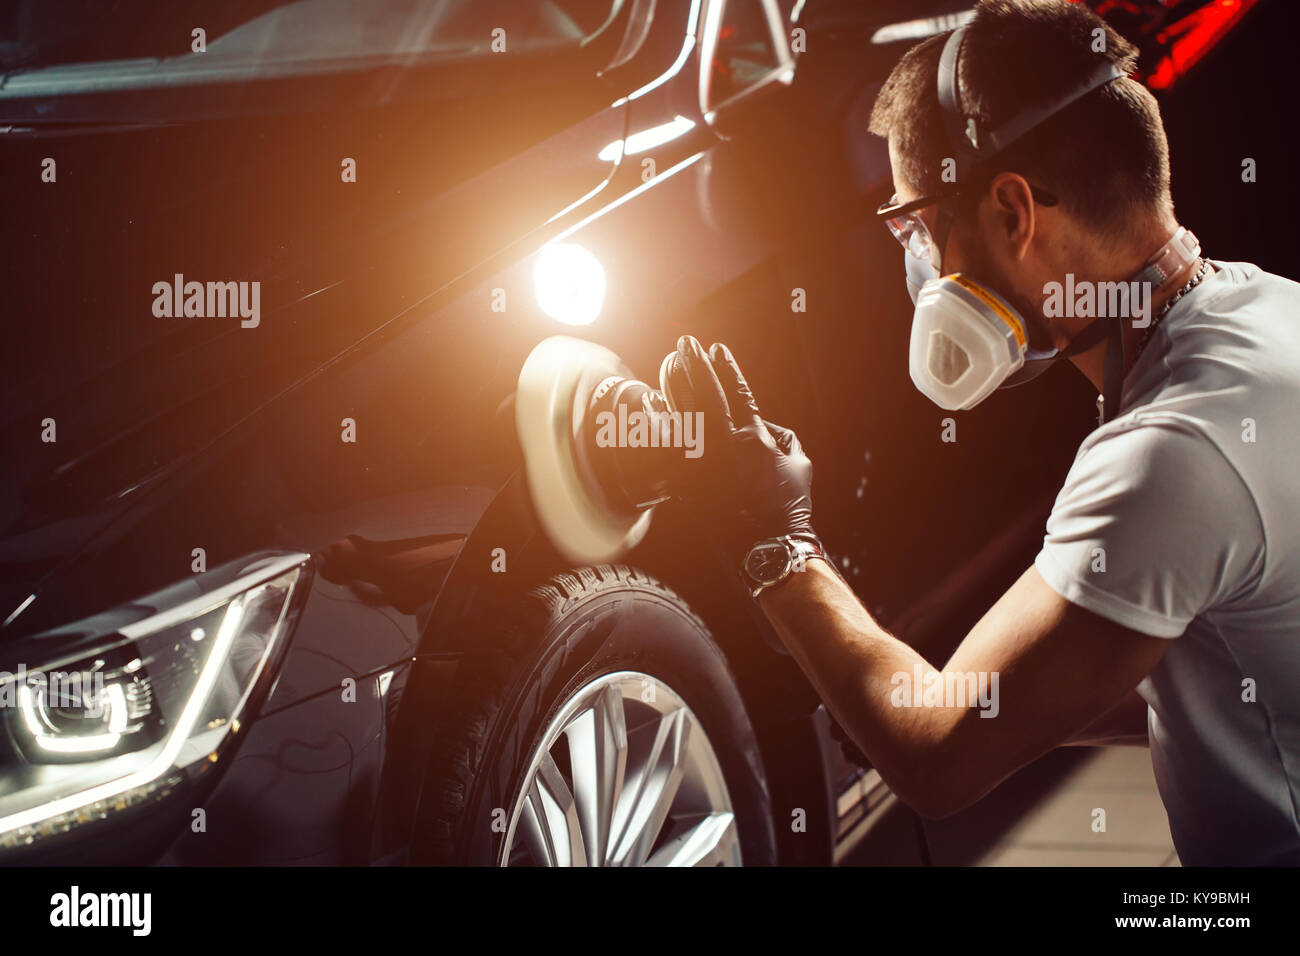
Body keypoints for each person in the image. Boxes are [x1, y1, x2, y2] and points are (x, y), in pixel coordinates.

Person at [664, 0, 1300, 866]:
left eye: (920, 224)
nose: (921, 261)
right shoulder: (1271, 310)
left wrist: (775, 536)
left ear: (1012, 213)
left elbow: (934, 756)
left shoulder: (1169, 454)